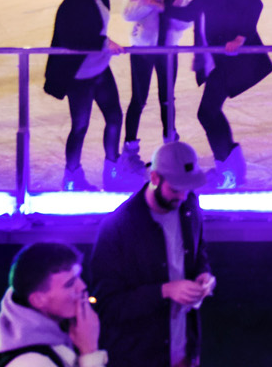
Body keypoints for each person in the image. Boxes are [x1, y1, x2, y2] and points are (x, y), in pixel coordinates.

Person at [87, 140, 215, 367]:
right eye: (176, 189)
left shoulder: (189, 205)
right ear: (155, 178)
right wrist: (163, 291)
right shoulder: (117, 228)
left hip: (185, 353)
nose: (183, 196)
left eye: (188, 189)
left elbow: (199, 249)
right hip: (139, 358)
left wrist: (203, 275)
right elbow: (106, 305)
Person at [163, 0, 272, 188]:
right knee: (209, 112)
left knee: (208, 111)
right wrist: (162, 7)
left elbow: (255, 3)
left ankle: (229, 170)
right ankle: (228, 166)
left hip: (231, 58)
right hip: (216, 58)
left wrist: (241, 36)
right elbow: (191, 13)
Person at [44, 0, 127, 191]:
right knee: (80, 125)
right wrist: (103, 42)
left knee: (114, 117)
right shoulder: (73, 3)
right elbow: (71, 38)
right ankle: (71, 176)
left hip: (100, 67)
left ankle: (112, 170)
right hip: (79, 75)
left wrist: (103, 44)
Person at [121, 0, 192, 170]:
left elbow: (187, 18)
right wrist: (153, 1)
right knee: (138, 99)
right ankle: (130, 148)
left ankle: (169, 146)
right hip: (143, 47)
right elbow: (128, 12)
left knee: (167, 98)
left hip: (169, 48)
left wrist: (169, 13)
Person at [0, 241, 107, 367]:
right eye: (70, 284)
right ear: (38, 300)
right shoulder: (30, 363)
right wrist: (89, 351)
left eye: (79, 277)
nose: (82, 287)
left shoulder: (58, 343)